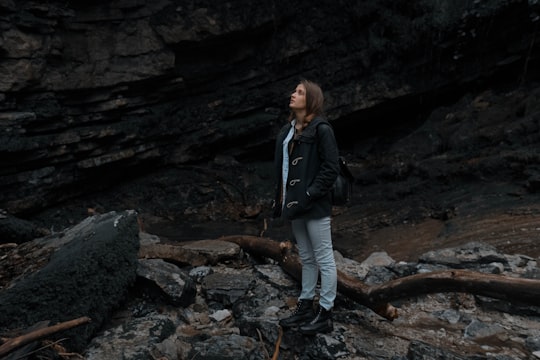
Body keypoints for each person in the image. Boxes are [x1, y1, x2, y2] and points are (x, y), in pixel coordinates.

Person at [273, 79, 340, 335]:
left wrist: (310, 193)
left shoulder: (322, 129)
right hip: (295, 204)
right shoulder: (288, 130)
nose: (293, 94)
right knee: (307, 258)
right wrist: (282, 199)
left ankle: (325, 313)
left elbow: (331, 167)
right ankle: (304, 307)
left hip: (314, 203)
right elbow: (284, 169)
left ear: (311, 99)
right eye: (294, 90)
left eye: (299, 92)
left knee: (324, 257)